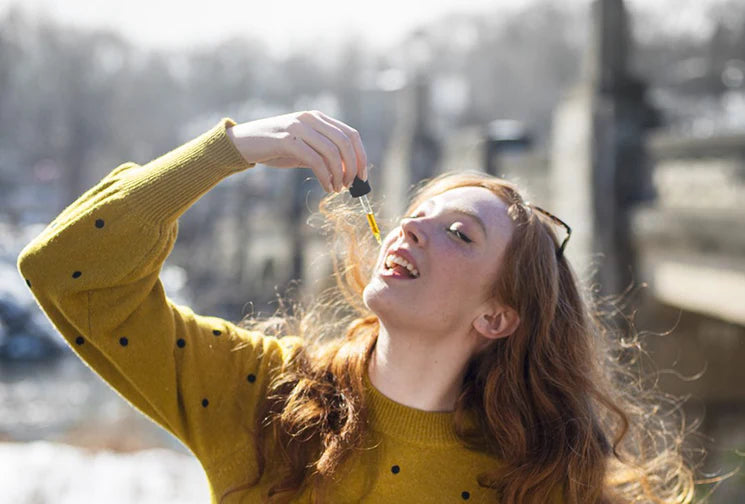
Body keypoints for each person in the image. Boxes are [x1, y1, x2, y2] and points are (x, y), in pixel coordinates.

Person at [18, 110, 695, 503]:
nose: (412, 227)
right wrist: (227, 150)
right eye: (416, 213)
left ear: (496, 317)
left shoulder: (539, 481)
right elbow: (68, 269)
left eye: (459, 233)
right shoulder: (263, 393)